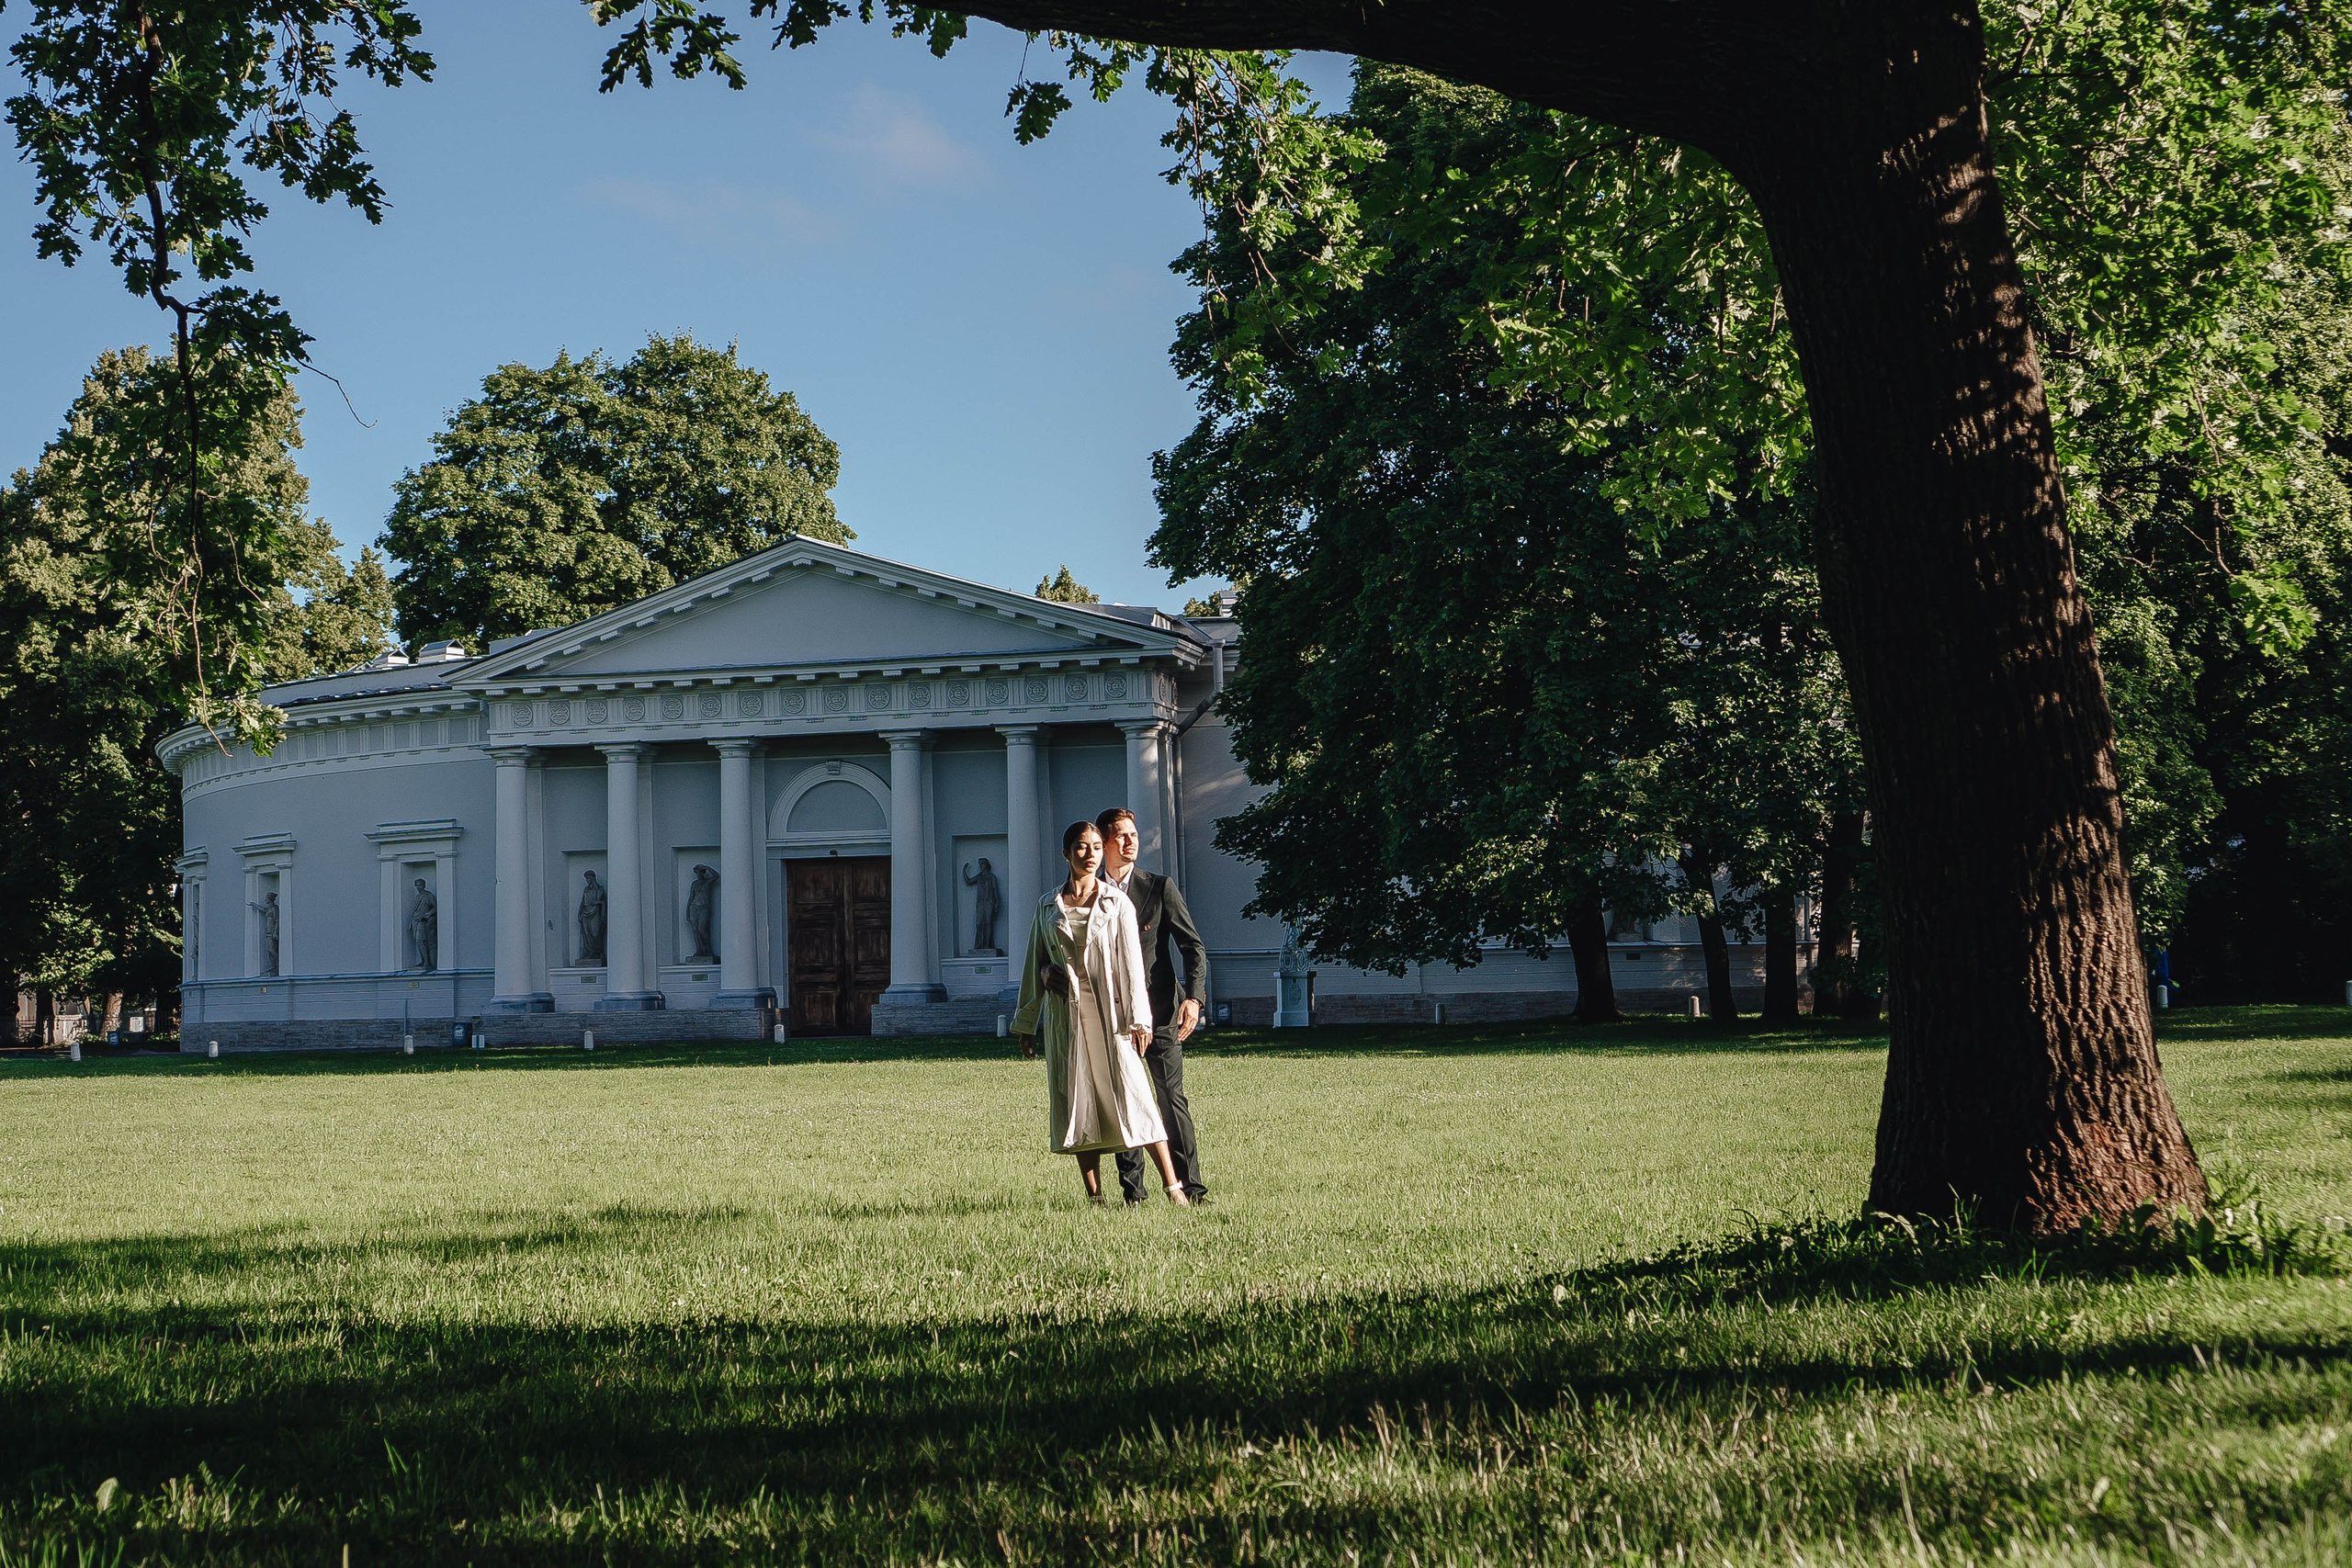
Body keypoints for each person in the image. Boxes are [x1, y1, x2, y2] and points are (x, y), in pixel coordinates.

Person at [1012, 820, 1190, 1206]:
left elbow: (1131, 966)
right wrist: (1027, 1022)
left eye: (1095, 846)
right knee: (1079, 1101)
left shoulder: (1116, 903)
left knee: (1135, 1096)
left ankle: (1174, 1189)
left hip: (1113, 1017)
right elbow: (1035, 964)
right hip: (1068, 1017)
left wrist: (1140, 1021)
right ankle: (1095, 1197)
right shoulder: (1047, 906)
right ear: (1066, 853)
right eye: (1081, 846)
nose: (1090, 854)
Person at [1095, 807, 1214, 1206]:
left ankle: (1193, 1190)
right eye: (1122, 836)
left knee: (1170, 1100)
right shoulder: (1089, 895)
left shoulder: (1159, 887)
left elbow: (1193, 947)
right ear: (1104, 842)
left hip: (1163, 1013)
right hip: (1113, 1019)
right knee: (1125, 1103)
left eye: (1134, 835)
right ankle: (1134, 1195)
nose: (1132, 843)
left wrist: (1194, 999)